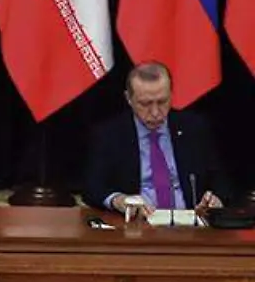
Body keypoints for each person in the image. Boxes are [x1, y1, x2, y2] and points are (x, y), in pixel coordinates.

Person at [83, 61, 229, 216]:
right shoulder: (109, 134)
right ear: (128, 99)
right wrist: (118, 200)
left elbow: (222, 181)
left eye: (162, 102)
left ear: (171, 95)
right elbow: (92, 188)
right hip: (138, 223)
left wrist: (215, 200)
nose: (155, 112)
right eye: (145, 104)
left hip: (189, 222)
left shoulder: (194, 128)